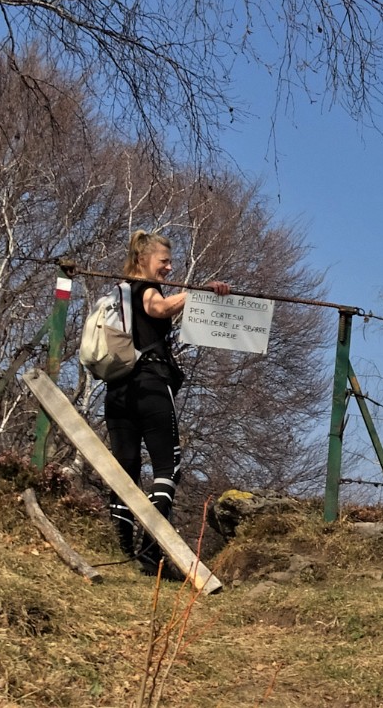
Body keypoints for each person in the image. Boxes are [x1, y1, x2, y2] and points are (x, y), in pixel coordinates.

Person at [106, 229, 230, 575]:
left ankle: (120, 551)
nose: (170, 268)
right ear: (143, 259)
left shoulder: (118, 293)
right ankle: (150, 551)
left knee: (125, 469)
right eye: (164, 261)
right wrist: (192, 294)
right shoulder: (145, 289)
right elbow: (158, 308)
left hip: (116, 389)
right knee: (167, 467)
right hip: (150, 384)